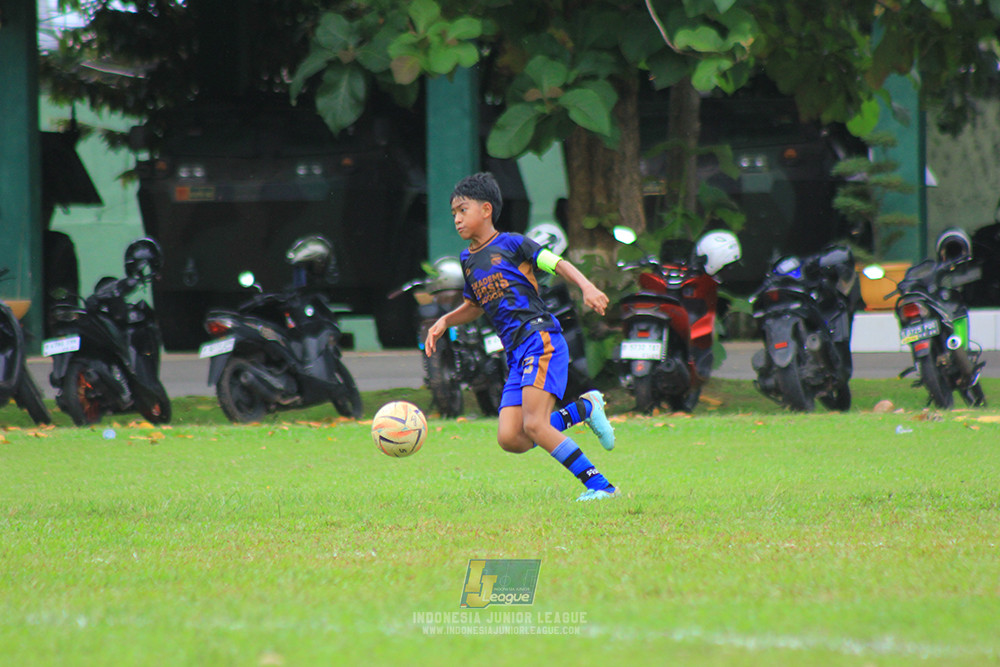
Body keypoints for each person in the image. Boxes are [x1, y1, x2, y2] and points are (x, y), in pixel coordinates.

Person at [425, 172, 618, 502]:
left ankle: (600, 486)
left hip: (539, 339)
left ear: (486, 210)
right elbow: (474, 306)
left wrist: (587, 286)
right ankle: (584, 409)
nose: (456, 219)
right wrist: (445, 319)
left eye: (462, 210)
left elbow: (557, 263)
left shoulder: (514, 244)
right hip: (515, 352)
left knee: (534, 425)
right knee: (511, 438)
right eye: (453, 213)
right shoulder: (468, 260)